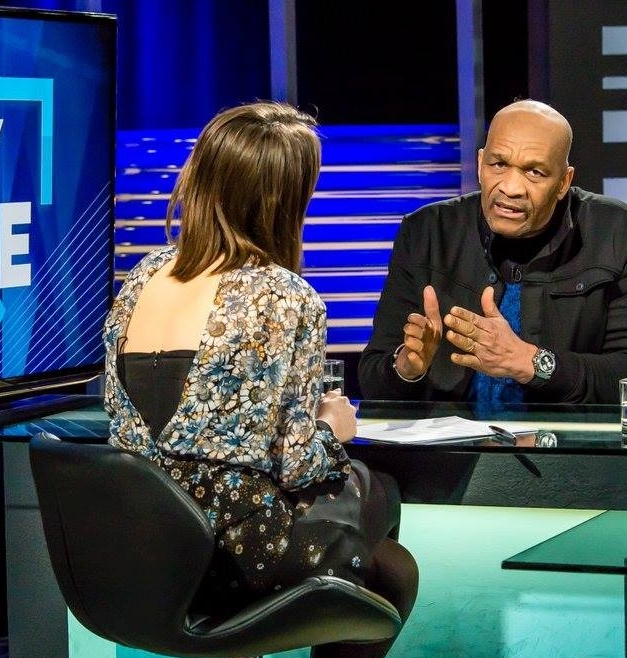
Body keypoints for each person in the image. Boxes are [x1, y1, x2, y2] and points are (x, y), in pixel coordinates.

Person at [102, 101, 417, 658]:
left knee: (389, 569)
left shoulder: (140, 279)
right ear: (284, 200)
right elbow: (295, 463)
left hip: (140, 550)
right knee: (380, 504)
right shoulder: (283, 296)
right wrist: (331, 427)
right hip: (231, 554)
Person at [359, 99, 627, 405]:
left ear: (564, 182)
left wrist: (531, 362)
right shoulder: (426, 231)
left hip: (563, 448)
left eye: (534, 172)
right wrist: (406, 368)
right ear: (480, 164)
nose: (511, 187)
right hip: (451, 449)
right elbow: (373, 377)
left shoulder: (620, 233)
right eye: (499, 164)